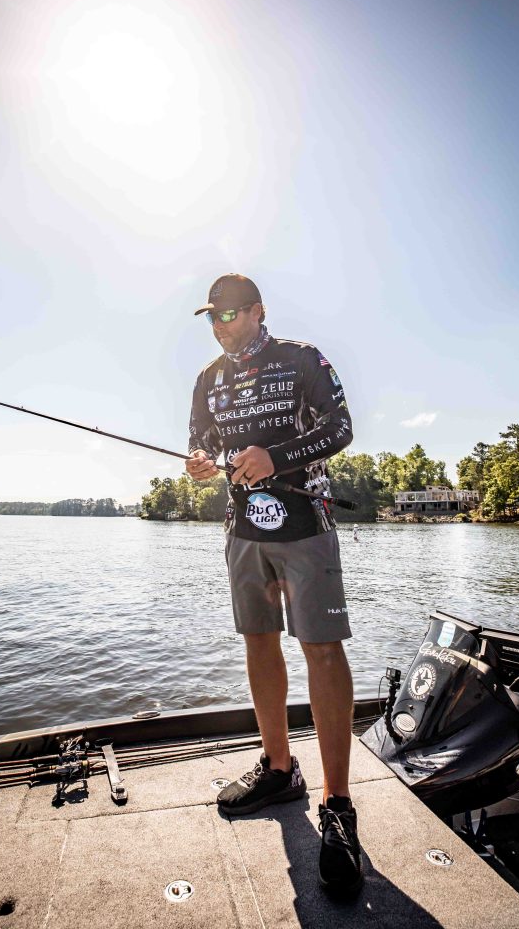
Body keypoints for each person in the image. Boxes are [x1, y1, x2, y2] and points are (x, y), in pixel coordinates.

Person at [185, 273, 363, 896]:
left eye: (230, 314)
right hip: (243, 532)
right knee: (258, 642)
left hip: (306, 526)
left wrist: (276, 457)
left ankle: (338, 804)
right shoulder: (208, 379)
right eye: (212, 316)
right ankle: (280, 769)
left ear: (258, 311)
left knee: (322, 649)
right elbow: (200, 441)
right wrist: (200, 463)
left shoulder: (301, 359)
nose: (220, 325)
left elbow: (341, 428)